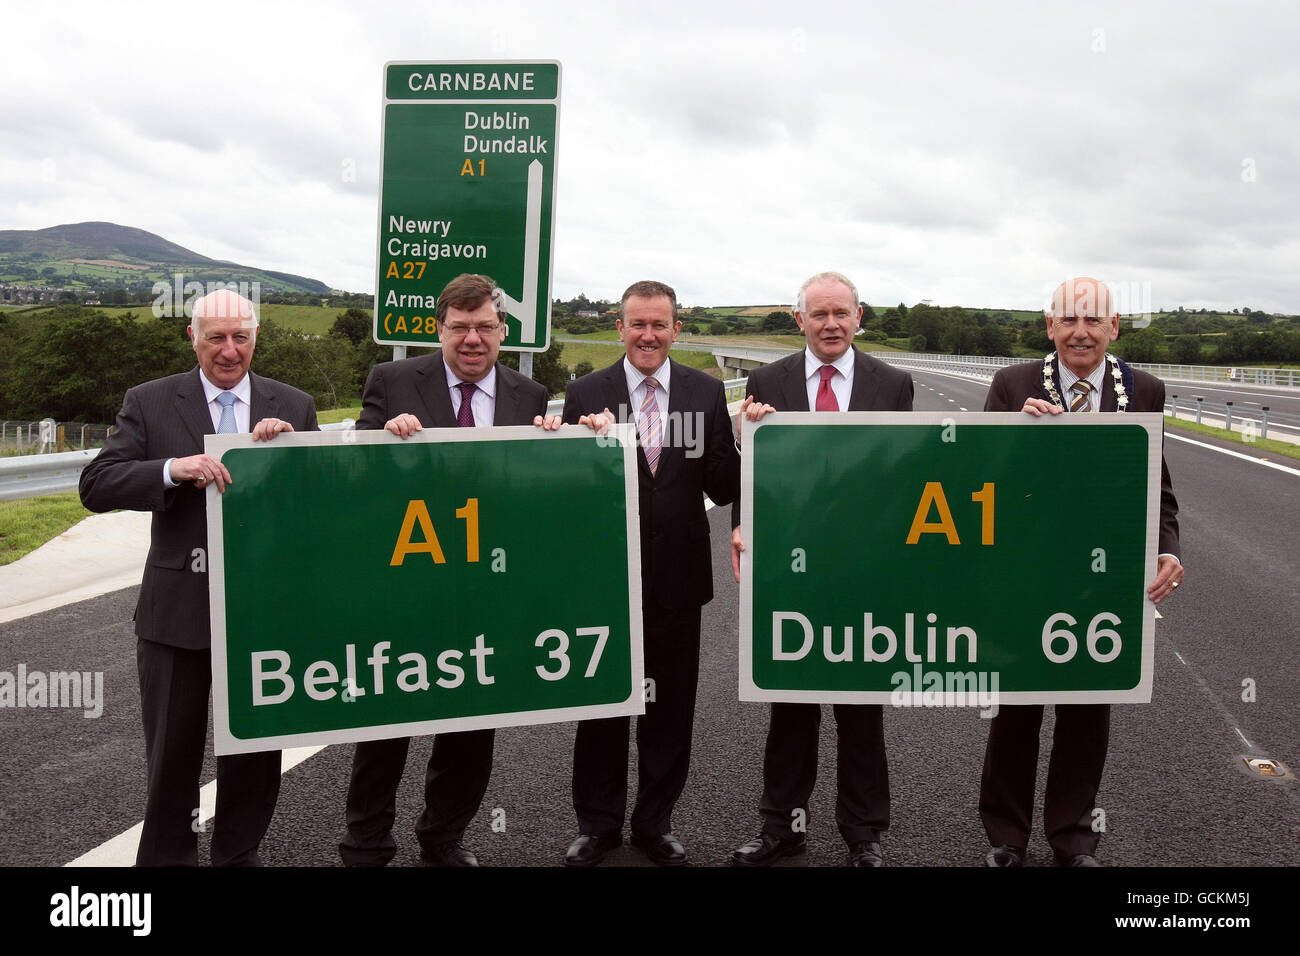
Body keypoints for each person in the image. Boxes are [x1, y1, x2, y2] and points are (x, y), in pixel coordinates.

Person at [79, 288, 317, 866]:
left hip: (263, 615)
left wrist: (288, 462)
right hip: (177, 616)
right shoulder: (151, 401)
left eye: (241, 337)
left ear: (257, 336)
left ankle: (238, 856)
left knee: (256, 759)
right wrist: (169, 470)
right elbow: (96, 484)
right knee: (172, 762)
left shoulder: (295, 404)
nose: (229, 350)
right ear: (193, 337)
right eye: (216, 337)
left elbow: (319, 507)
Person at [339, 273, 548, 868]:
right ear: (440, 330)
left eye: (485, 327)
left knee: (472, 727)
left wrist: (564, 443)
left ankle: (444, 838)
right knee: (387, 721)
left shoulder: (529, 398)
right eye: (460, 328)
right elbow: (356, 467)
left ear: (503, 330)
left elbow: (531, 486)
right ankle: (366, 841)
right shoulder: (394, 380)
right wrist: (383, 437)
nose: (473, 339)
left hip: (485, 589)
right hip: (407, 583)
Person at [978, 276, 1184, 867]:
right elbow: (979, 479)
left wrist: (1168, 547)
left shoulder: (1145, 389)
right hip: (1025, 573)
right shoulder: (1012, 384)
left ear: (1114, 327)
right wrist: (1014, 432)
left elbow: (1157, 488)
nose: (1080, 331)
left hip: (1103, 578)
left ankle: (1072, 837)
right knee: (1015, 706)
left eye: (1094, 320)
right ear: (1050, 326)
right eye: (1068, 319)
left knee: (1087, 711)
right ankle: (1006, 838)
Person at [728, 271, 913, 867]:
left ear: (860, 317)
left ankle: (864, 834)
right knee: (791, 706)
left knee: (862, 707)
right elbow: (754, 469)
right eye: (818, 314)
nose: (830, 324)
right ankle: (782, 827)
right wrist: (741, 520)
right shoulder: (766, 380)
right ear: (799, 320)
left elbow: (908, 476)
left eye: (841, 313)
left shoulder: (894, 384)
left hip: (866, 567)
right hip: (792, 566)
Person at [554, 279, 739, 866]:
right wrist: (571, 444)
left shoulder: (706, 394)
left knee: (670, 710)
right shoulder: (586, 391)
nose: (649, 335)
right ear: (620, 327)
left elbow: (724, 483)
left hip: (679, 582)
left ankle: (654, 824)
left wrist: (751, 434)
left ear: (676, 329)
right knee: (604, 706)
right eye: (638, 323)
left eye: (660, 324)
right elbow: (570, 491)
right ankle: (598, 826)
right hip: (607, 578)